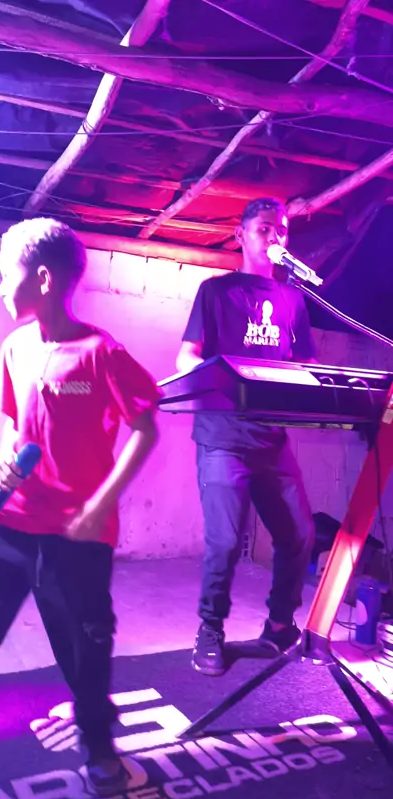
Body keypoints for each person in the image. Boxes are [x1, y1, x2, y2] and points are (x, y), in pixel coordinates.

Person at [0, 218, 159, 799]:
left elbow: (146, 427)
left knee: (85, 650)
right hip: (9, 525)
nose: (0, 287)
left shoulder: (102, 353)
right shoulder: (15, 347)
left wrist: (100, 505)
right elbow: (11, 421)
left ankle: (99, 750)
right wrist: (5, 455)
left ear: (44, 279)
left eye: (8, 276)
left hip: (77, 536)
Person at [176, 197, 316, 677]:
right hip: (223, 438)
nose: (275, 237)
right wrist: (217, 377)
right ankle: (210, 630)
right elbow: (186, 357)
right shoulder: (215, 292)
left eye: (282, 230)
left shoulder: (294, 299)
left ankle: (279, 626)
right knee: (225, 540)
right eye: (264, 228)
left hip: (271, 439)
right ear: (240, 235)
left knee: (299, 534)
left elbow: (305, 364)